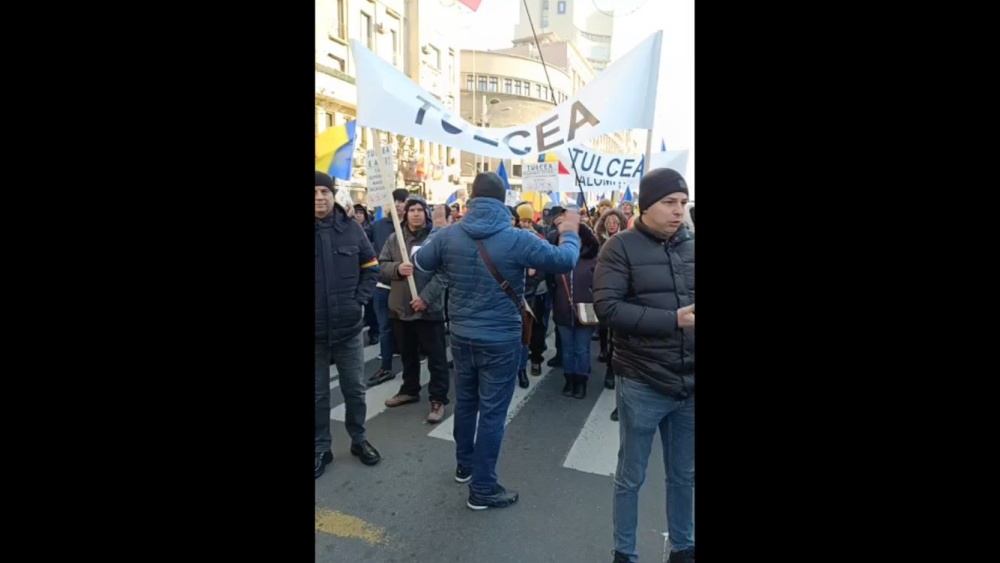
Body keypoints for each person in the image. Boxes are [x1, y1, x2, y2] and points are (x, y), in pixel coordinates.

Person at [412, 172, 581, 510]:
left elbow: (419, 263)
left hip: (461, 335)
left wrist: (441, 236)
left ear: (473, 198)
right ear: (503, 200)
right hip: (501, 338)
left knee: (467, 403)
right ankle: (483, 488)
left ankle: (465, 465)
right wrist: (569, 233)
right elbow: (565, 261)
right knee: (491, 413)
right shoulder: (518, 237)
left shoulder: (449, 234)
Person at [594, 168, 695, 563]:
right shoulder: (619, 247)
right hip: (642, 380)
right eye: (669, 202)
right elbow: (608, 308)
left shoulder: (692, 246)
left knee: (684, 476)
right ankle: (625, 552)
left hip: (688, 382)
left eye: (683, 203)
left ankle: (684, 548)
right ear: (646, 205)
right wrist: (673, 319)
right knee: (631, 476)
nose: (678, 211)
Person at [314, 172, 382, 479]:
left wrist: (359, 301)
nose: (319, 197)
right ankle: (321, 447)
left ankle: (358, 439)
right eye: (314, 192)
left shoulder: (352, 229)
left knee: (355, 389)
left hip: (349, 329)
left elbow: (371, 269)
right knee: (317, 395)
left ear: (333, 194)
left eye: (324, 192)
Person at [378, 197, 451, 423]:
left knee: (436, 358)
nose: (416, 214)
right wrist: (397, 268)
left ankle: (438, 399)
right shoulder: (394, 239)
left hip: (428, 310)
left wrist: (426, 298)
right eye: (412, 210)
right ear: (406, 214)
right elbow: (381, 266)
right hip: (401, 308)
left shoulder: (436, 239)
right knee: (408, 354)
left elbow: (444, 274)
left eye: (421, 210)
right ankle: (409, 389)